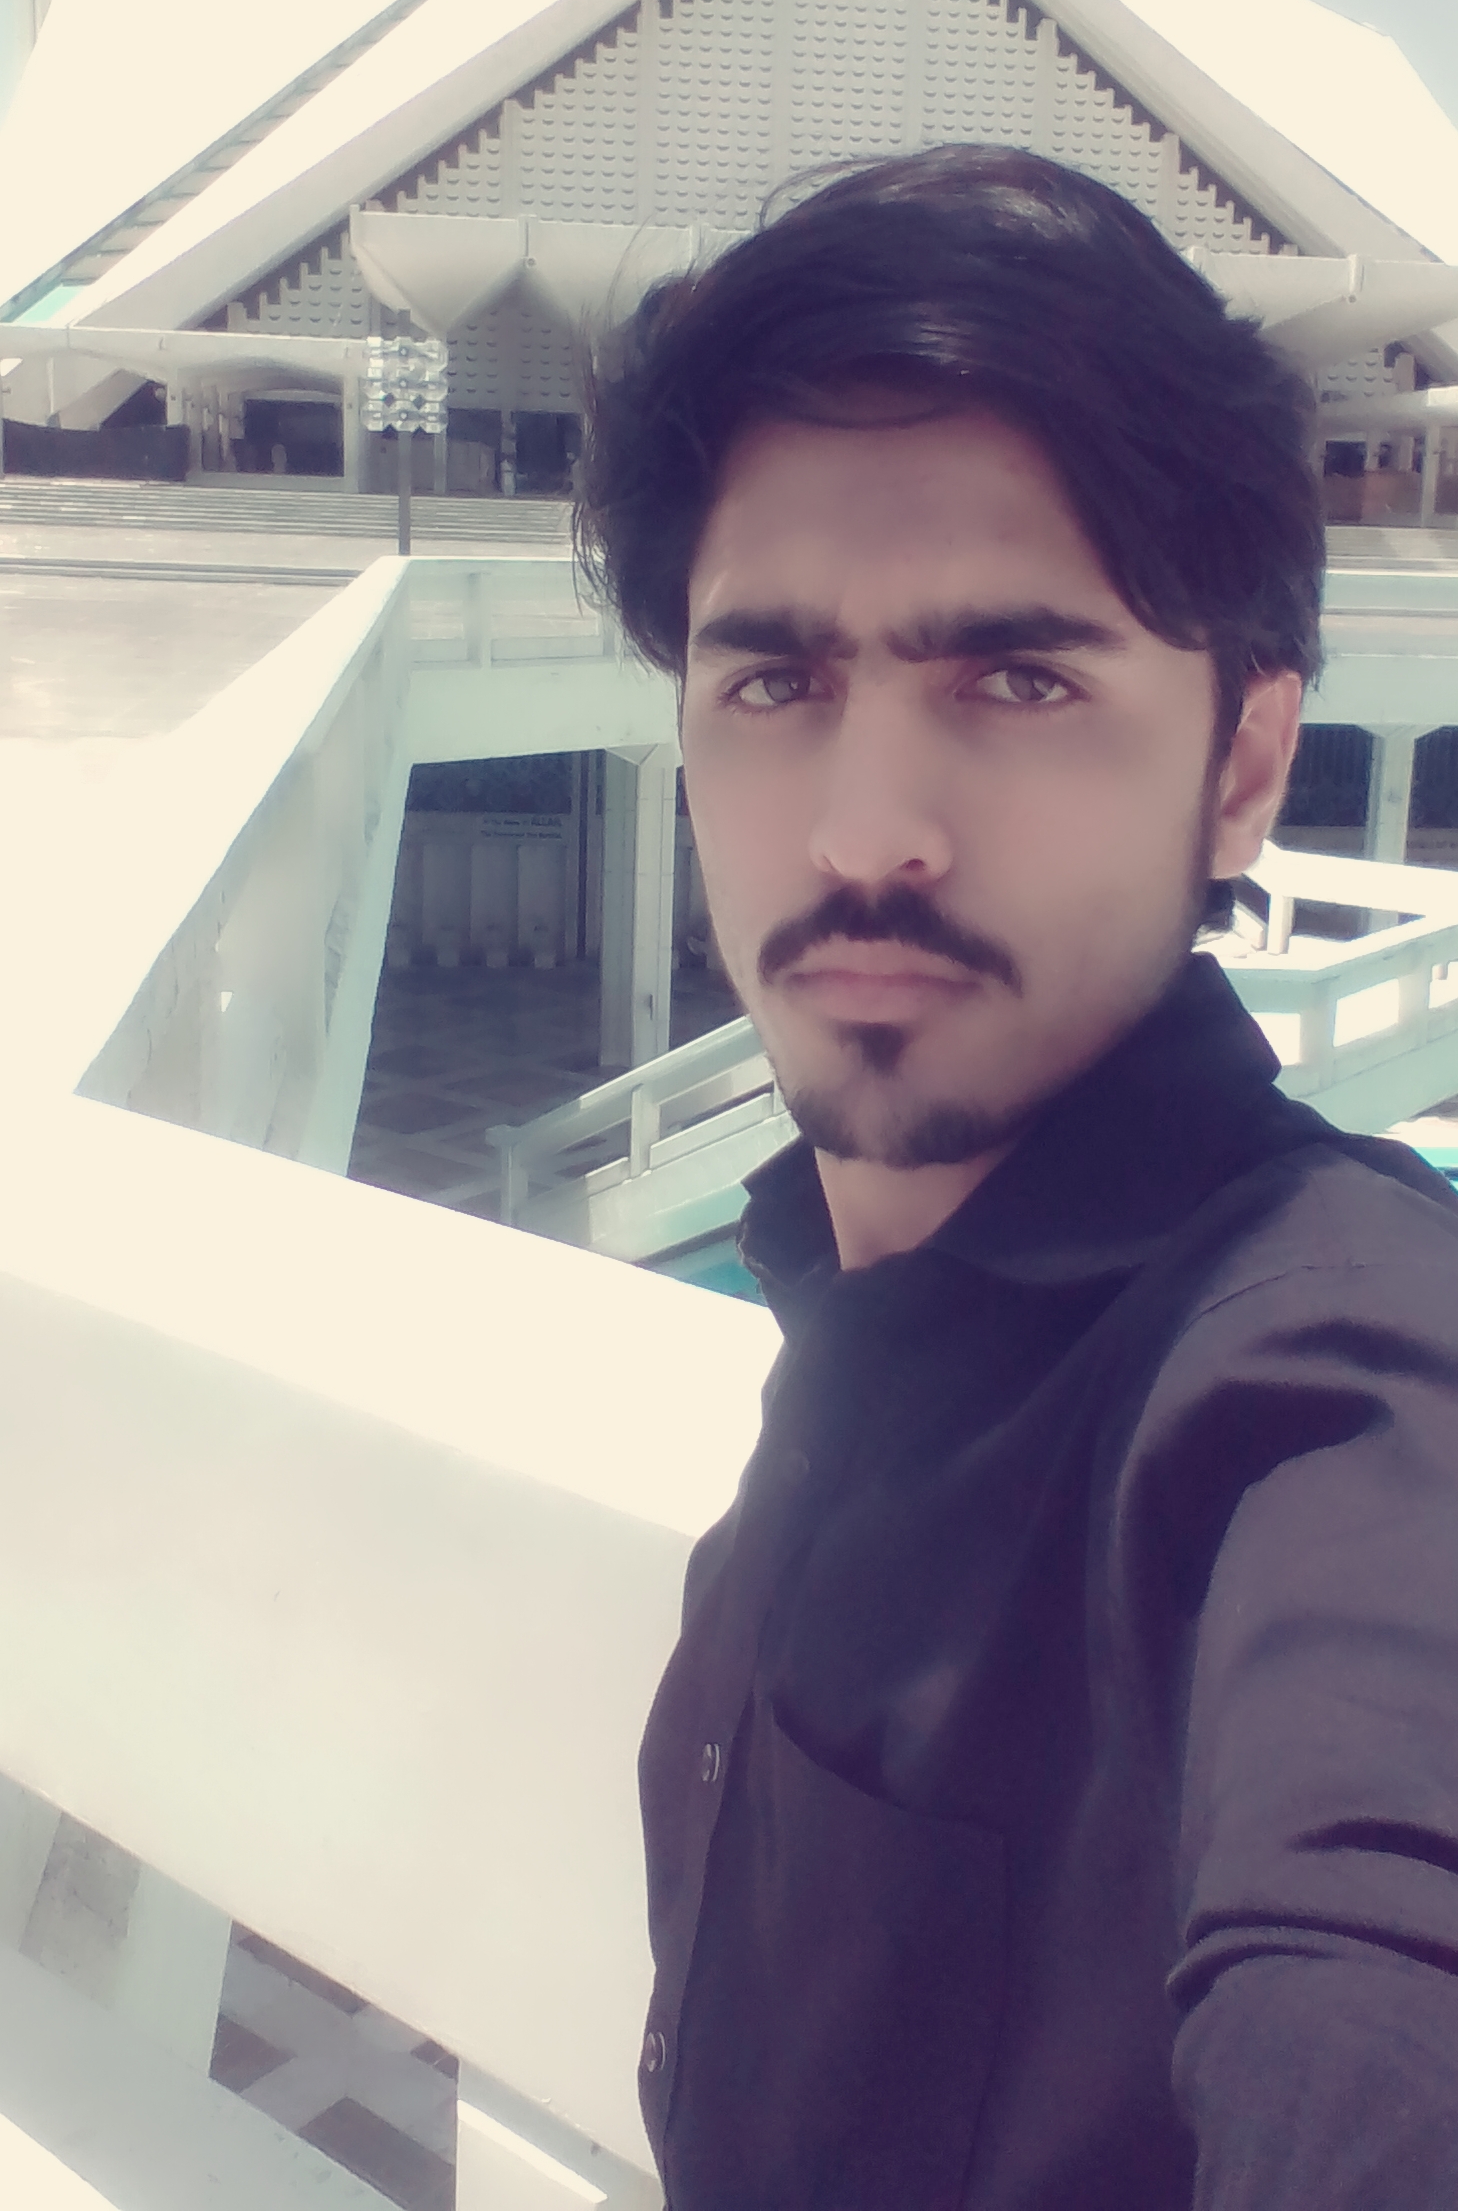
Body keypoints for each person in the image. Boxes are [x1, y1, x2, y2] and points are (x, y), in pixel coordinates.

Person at [578, 148, 1458, 2210]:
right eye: (775, 681)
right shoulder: (859, 1313)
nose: (864, 829)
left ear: (1244, 766)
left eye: (1018, 680)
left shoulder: (1332, 1382)